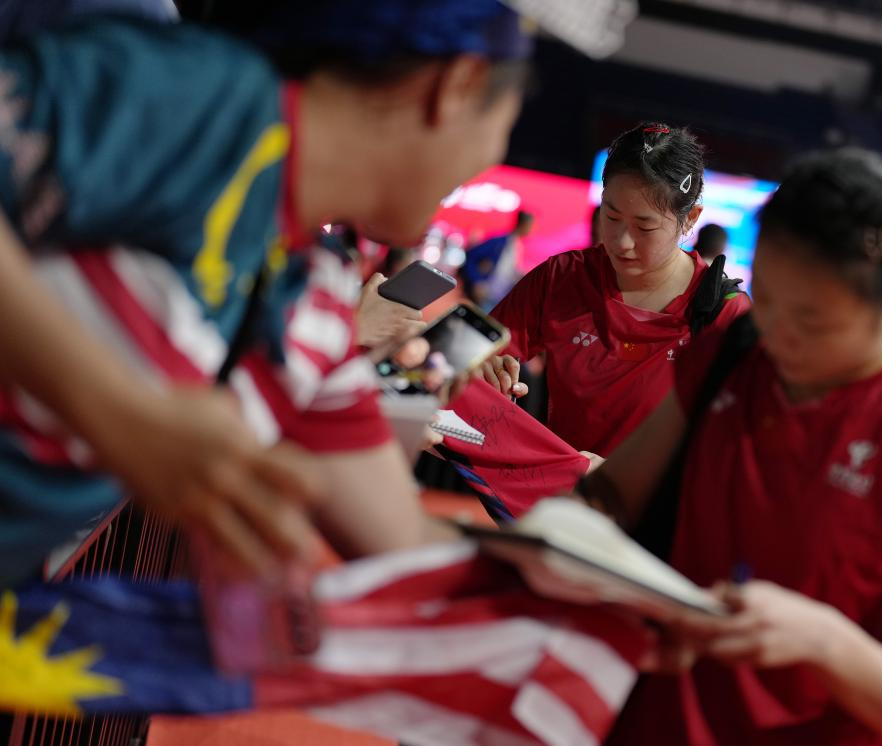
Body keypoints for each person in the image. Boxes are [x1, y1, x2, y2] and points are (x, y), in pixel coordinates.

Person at [0, 0, 635, 584]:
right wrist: (121, 415)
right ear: (457, 87)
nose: (489, 160)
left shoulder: (317, 296)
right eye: (505, 125)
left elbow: (404, 539)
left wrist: (614, 580)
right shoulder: (207, 103)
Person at [577, 149, 882, 745]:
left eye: (812, 321)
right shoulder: (737, 354)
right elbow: (610, 496)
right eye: (768, 299)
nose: (777, 335)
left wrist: (827, 643)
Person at [479, 123, 749, 457]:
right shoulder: (563, 278)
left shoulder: (724, 313)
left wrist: (616, 475)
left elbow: (737, 443)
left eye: (644, 227)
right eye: (612, 216)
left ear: (691, 218)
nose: (622, 242)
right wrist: (485, 369)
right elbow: (473, 356)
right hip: (559, 486)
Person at [462, 209, 533, 311]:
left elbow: (508, 271)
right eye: (530, 226)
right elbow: (471, 256)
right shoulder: (499, 242)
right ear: (524, 225)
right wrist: (477, 281)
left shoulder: (517, 246)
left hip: (499, 298)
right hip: (486, 294)